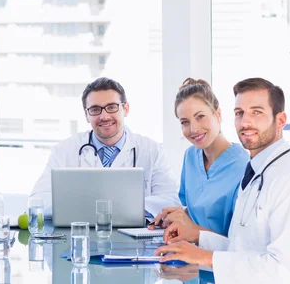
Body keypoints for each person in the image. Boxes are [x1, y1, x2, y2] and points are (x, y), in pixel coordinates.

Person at [155, 78, 290, 283]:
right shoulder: (257, 173)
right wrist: (197, 240)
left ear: (280, 120)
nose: (245, 122)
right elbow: (240, 249)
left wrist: (205, 256)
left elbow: (282, 271)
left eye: (257, 112)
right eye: (239, 113)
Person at [30, 77, 181, 218]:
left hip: (135, 239)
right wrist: (101, 207)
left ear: (126, 109)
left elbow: (171, 201)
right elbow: (37, 201)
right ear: (86, 115)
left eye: (112, 107)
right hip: (80, 237)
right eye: (95, 109)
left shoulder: (151, 150)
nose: (104, 116)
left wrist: (119, 208)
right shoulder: (64, 151)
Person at [149, 78, 249, 236]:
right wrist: (175, 217)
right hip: (189, 250)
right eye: (185, 122)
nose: (193, 129)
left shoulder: (244, 166)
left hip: (220, 257)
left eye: (200, 116)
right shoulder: (191, 156)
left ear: (218, 114)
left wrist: (191, 229)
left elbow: (240, 240)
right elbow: (194, 212)